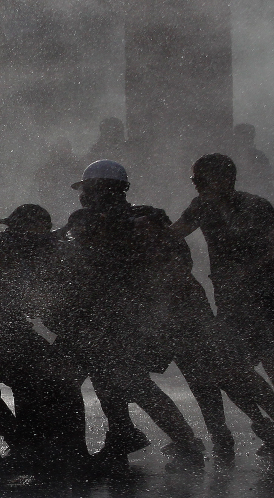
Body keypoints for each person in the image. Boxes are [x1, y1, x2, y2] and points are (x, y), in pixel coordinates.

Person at [50, 160, 205, 474]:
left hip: (101, 315)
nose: (82, 196)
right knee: (115, 380)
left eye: (86, 189)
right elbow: (180, 260)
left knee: (119, 381)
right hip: (138, 314)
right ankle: (122, 435)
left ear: (97, 189)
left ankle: (181, 442)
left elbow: (60, 249)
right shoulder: (151, 216)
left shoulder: (86, 219)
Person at [170, 154, 274, 463]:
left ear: (222, 179)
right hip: (233, 302)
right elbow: (174, 233)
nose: (194, 185)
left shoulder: (256, 207)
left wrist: (246, 272)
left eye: (199, 180)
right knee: (229, 367)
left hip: (269, 300)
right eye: (194, 180)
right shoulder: (202, 206)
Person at [0, 204, 90, 479]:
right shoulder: (1, 247)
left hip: (13, 332)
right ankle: (30, 446)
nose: (12, 235)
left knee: (45, 385)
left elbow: (58, 301)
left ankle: (57, 451)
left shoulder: (50, 253)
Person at [35, 139, 86, 224]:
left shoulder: (77, 165)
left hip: (71, 202)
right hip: (55, 204)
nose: (61, 151)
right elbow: (42, 187)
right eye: (58, 149)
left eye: (64, 148)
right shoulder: (47, 168)